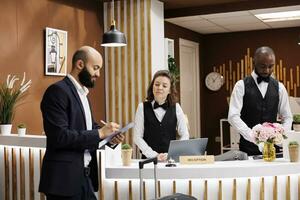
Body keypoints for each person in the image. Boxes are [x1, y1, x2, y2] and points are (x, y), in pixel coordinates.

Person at [39, 46, 124, 200]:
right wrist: (99, 133)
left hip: (85, 178)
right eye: (96, 68)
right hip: (63, 181)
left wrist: (110, 137)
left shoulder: (83, 93)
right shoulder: (57, 91)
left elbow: (88, 128)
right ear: (80, 65)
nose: (98, 74)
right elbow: (59, 137)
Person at [228, 46, 292, 156]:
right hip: (247, 150)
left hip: (273, 151)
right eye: (262, 66)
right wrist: (252, 136)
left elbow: (287, 116)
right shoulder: (241, 85)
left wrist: (281, 137)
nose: (267, 70)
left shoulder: (280, 87)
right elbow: (233, 116)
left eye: (270, 67)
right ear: (254, 62)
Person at [133, 70, 189, 161]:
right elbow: (137, 137)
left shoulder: (177, 107)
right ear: (152, 87)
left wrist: (172, 153)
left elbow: (185, 135)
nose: (160, 88)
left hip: (170, 161)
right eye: (157, 84)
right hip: (148, 161)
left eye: (164, 85)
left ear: (170, 90)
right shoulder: (142, 107)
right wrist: (153, 155)